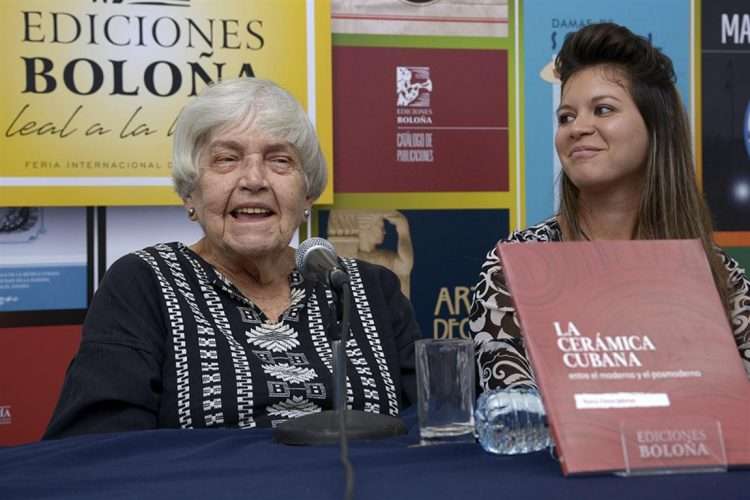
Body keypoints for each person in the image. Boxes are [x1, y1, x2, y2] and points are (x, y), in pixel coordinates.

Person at [45, 78, 421, 438]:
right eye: (227, 159)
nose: (254, 180)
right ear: (190, 193)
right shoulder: (143, 284)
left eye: (280, 161)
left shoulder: (370, 288)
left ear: (307, 196)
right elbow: (98, 445)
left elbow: (434, 424)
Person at [469, 22, 750, 392]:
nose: (576, 128)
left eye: (602, 109)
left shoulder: (718, 275)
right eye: (566, 116)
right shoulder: (514, 268)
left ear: (656, 128)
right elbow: (515, 412)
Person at [327, 209, 414, 298]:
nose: (384, 232)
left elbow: (405, 265)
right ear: (367, 228)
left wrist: (402, 227)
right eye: (381, 227)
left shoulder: (383, 259)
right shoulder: (347, 257)